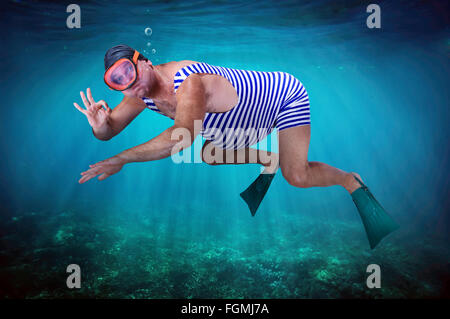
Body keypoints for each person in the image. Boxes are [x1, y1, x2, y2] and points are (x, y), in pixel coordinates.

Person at [74, 44, 398, 249]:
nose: (129, 83)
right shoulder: (138, 93)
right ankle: (267, 159)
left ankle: (349, 181)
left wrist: (120, 159)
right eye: (117, 81)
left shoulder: (187, 81)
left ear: (144, 61)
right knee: (209, 154)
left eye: (129, 71)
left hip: (282, 99)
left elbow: (181, 135)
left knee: (296, 176)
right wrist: (101, 127)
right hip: (242, 121)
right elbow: (109, 130)